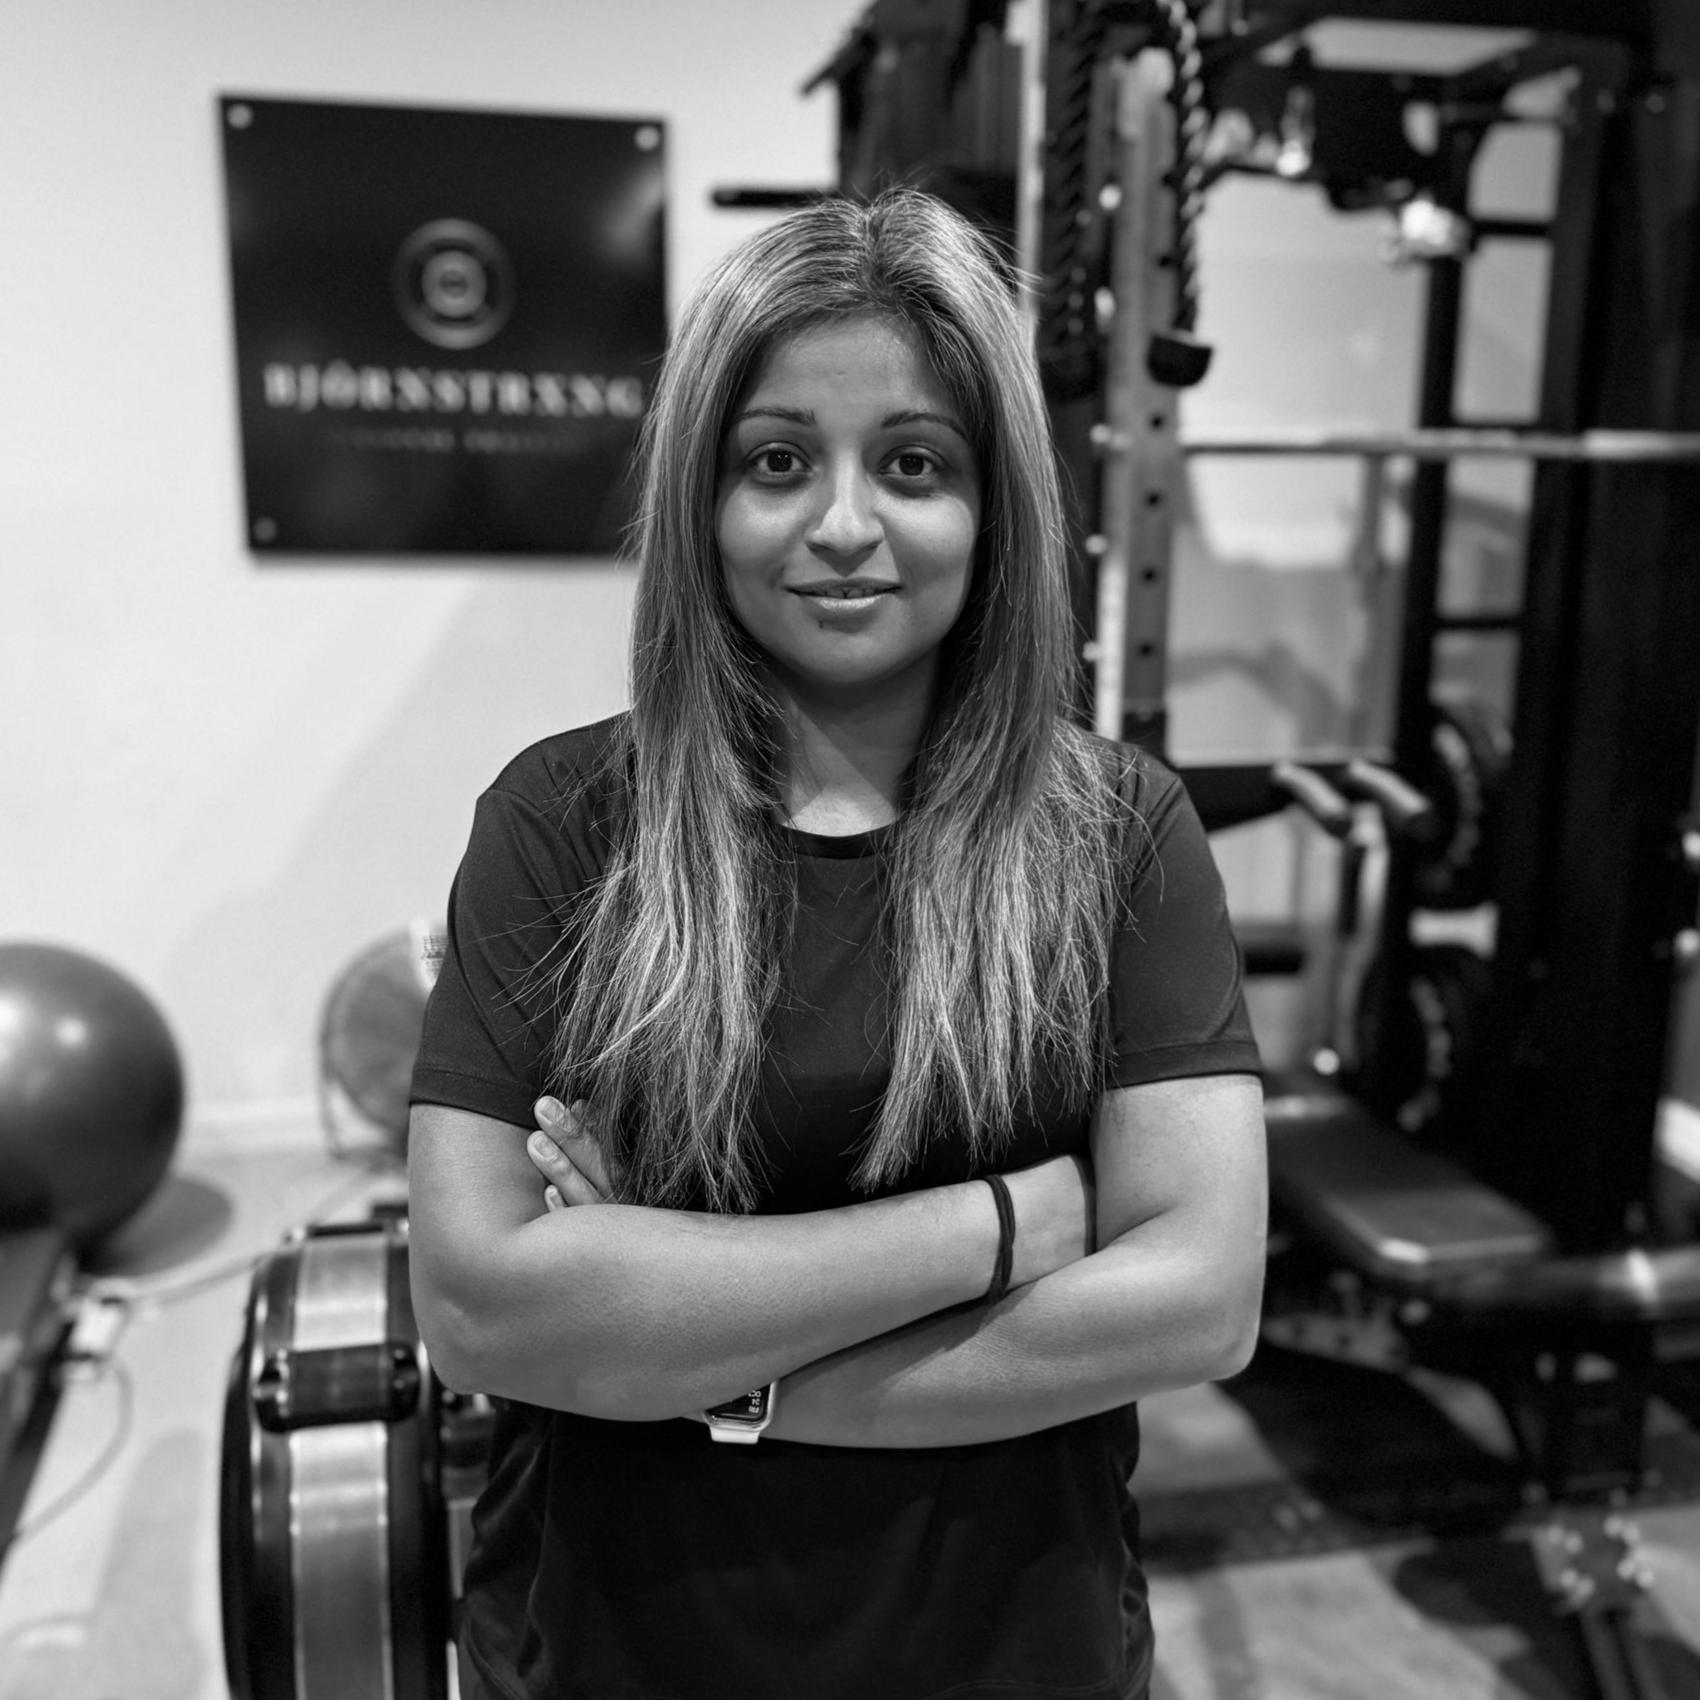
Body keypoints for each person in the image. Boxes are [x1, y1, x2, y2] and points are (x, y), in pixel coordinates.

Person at [407, 188, 1266, 1700]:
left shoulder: (1118, 833)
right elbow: (484, 1306)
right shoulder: (561, 821)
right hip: (618, 1644)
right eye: (778, 461)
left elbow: (1198, 1298)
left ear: (993, 504)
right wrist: (1001, 1228)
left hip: (1017, 1649)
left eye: (915, 463)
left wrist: (679, 1347)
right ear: (703, 499)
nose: (846, 524)